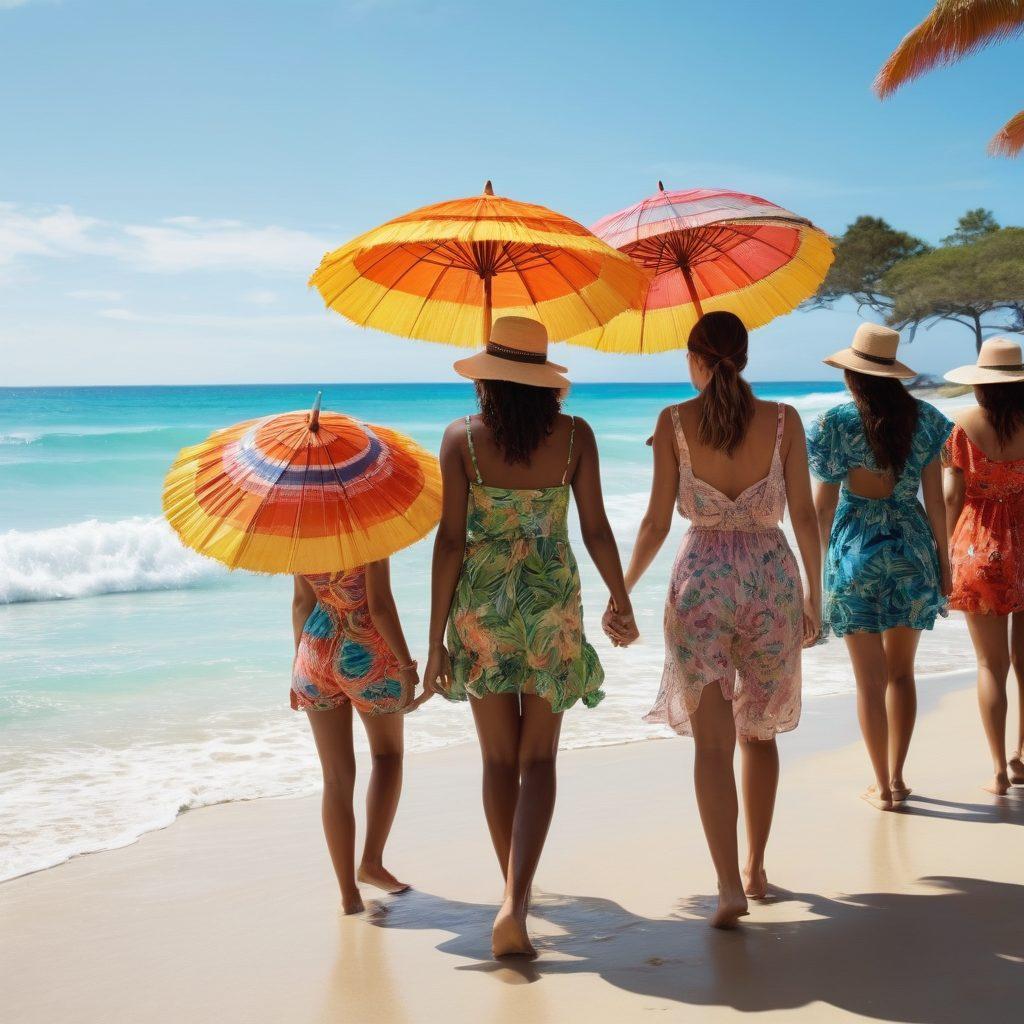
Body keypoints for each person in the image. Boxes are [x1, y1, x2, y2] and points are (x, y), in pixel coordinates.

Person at [417, 315, 637, 958]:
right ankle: (517, 897)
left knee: (496, 762)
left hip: (482, 608)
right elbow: (596, 529)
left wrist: (435, 641)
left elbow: (451, 541)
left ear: (486, 381)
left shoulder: (462, 439)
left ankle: (511, 896)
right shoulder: (574, 437)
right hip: (550, 608)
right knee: (539, 762)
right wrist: (620, 600)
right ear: (546, 382)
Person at [621, 311, 821, 929]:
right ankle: (758, 867)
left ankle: (728, 885)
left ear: (694, 358)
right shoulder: (784, 420)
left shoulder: (673, 422)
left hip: (701, 583)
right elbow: (806, 516)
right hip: (770, 580)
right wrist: (816, 593)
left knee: (713, 747)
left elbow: (656, 523)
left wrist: (621, 590)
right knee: (758, 736)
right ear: (745, 355)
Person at [808, 324, 952, 811]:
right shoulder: (928, 419)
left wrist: (820, 570)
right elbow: (936, 502)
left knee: (869, 681)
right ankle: (898, 775)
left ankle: (882, 787)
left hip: (855, 554)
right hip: (912, 551)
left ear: (854, 375)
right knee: (902, 675)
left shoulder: (835, 424)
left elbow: (822, 508)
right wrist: (944, 565)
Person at [292, 561, 419, 914]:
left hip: (313, 650)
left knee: (335, 778)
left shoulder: (304, 530)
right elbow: (379, 606)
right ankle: (372, 862)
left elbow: (303, 602)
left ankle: (348, 895)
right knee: (388, 756)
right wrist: (407, 665)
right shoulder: (370, 526)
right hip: (364, 650)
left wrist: (297, 667)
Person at [942, 338, 1024, 795]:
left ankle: (996, 769)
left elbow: (953, 496)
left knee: (990, 665)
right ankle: (1021, 757)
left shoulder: (963, 427)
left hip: (980, 549)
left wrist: (946, 549)